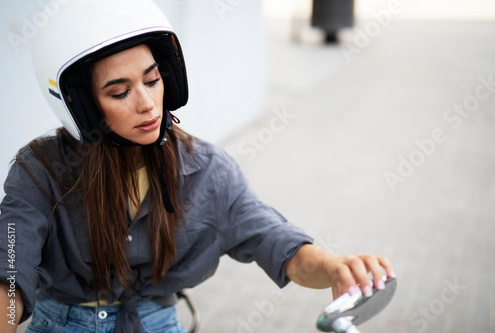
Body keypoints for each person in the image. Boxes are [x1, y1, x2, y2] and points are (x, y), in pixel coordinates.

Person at [0, 0, 395, 332]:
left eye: (153, 81)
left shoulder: (209, 171)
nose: (147, 104)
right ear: (80, 106)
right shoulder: (39, 170)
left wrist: (336, 267)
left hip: (157, 322)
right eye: (120, 91)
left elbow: (278, 243)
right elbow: (12, 270)